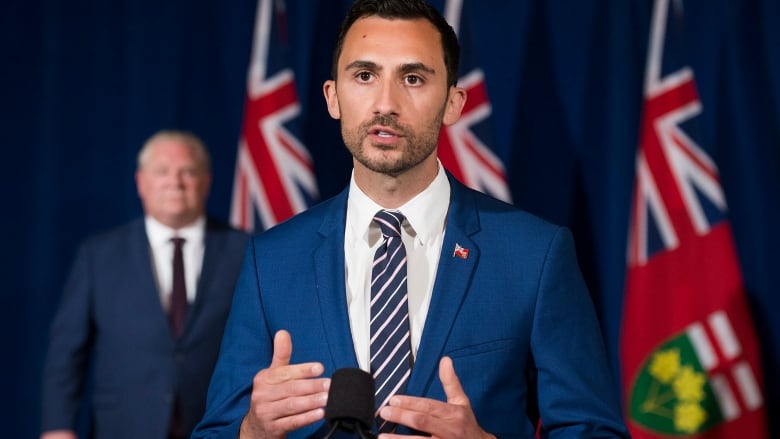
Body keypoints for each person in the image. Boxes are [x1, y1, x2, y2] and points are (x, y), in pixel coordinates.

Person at [193, 1, 630, 437]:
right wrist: (251, 430)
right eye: (365, 76)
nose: (386, 103)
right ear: (333, 97)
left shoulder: (534, 256)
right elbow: (215, 431)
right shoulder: (269, 261)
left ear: (454, 103)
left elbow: (594, 430)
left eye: (413, 78)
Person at [40, 130, 249, 439]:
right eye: (162, 171)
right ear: (141, 182)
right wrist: (58, 427)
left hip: (218, 427)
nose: (175, 182)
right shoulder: (98, 255)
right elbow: (67, 352)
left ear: (207, 181)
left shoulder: (246, 250)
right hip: (123, 428)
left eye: (187, 172)